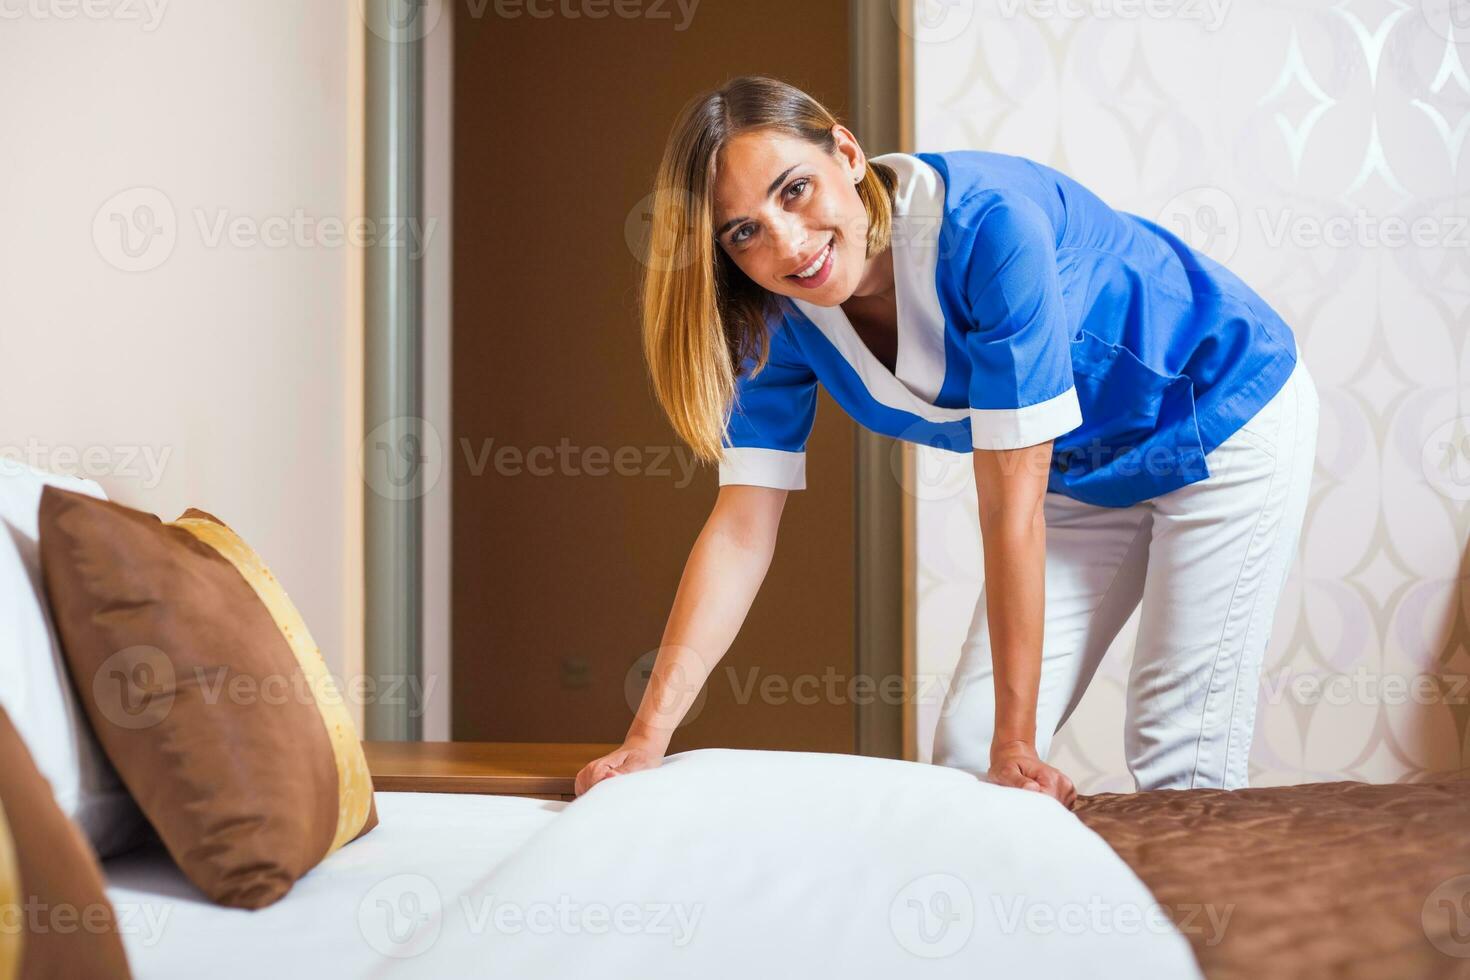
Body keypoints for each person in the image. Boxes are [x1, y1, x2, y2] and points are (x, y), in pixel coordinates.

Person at [574, 75, 1318, 806]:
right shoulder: (779, 323)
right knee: (969, 760)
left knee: (1175, 751)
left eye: (794, 189)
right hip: (1079, 471)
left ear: (847, 151)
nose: (790, 244)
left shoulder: (990, 228)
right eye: (745, 232)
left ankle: (1201, 925)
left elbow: (1008, 510)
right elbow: (740, 532)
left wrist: (1018, 745)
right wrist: (646, 739)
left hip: (1219, 411)